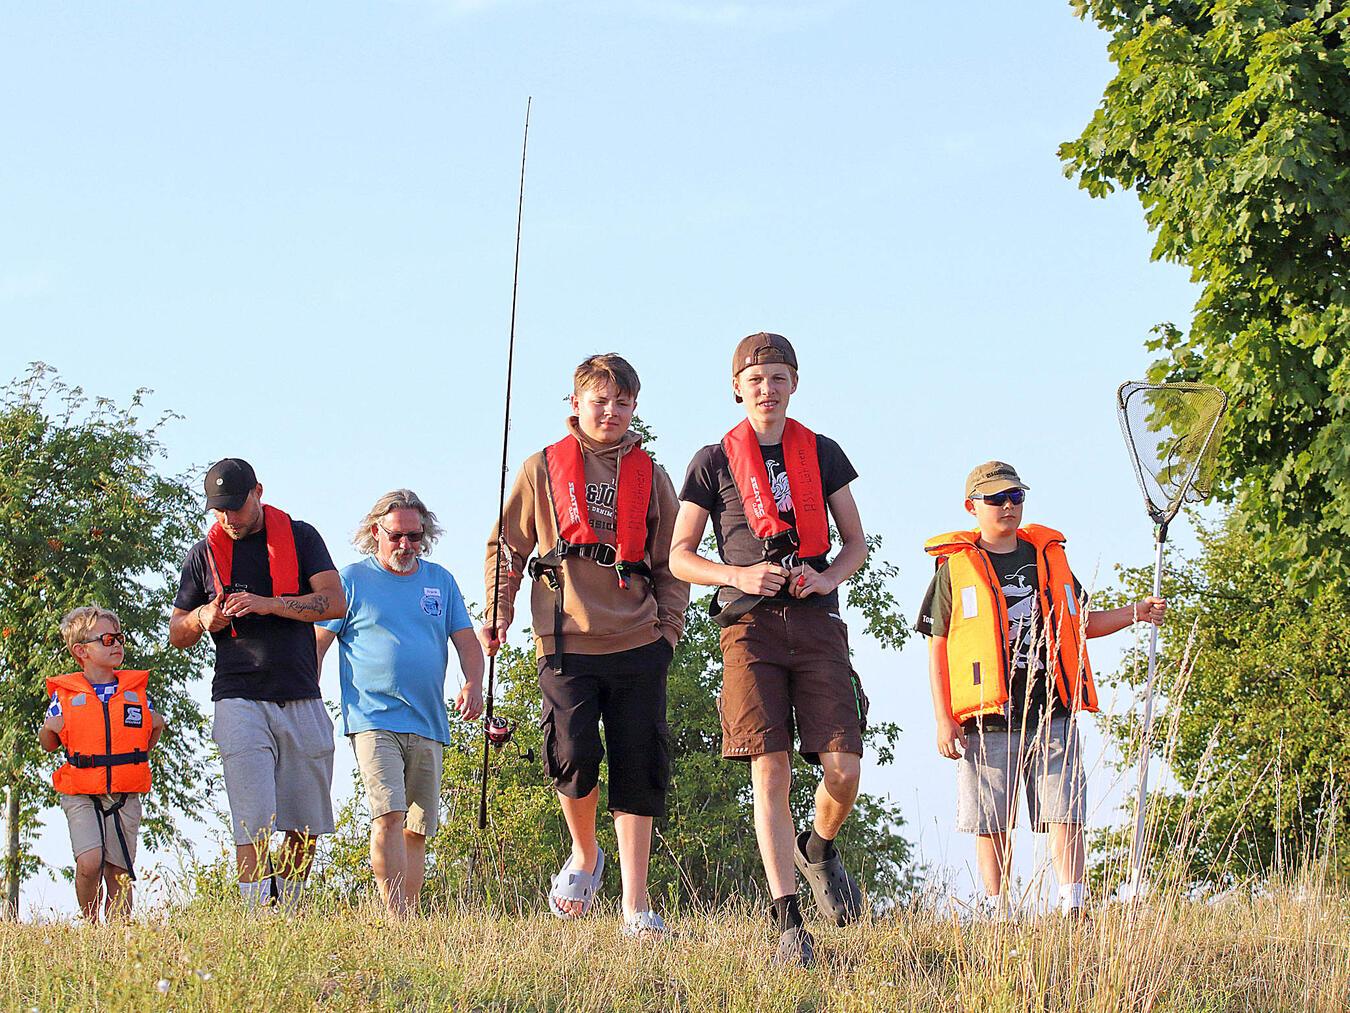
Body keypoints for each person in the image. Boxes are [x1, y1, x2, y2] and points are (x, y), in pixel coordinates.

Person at [669, 332, 869, 968]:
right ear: (737, 388)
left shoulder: (823, 451)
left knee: (843, 767)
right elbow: (679, 557)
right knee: (770, 766)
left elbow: (856, 544)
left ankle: (819, 847)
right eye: (756, 380)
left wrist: (826, 578)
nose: (767, 389)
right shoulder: (712, 461)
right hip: (748, 626)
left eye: (779, 377)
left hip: (816, 621)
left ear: (794, 384)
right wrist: (738, 574)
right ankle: (788, 920)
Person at [481, 353, 688, 938]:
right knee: (572, 753)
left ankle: (635, 905)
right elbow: (506, 547)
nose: (611, 412)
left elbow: (673, 559)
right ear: (576, 403)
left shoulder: (652, 474)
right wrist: (498, 611)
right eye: (600, 401)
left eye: (623, 402)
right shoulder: (540, 468)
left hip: (639, 639)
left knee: (638, 765)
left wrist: (669, 631)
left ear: (634, 407)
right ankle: (585, 852)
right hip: (565, 639)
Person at [916, 461, 1167, 919]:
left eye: (1015, 496)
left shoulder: (1047, 558)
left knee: (1065, 809)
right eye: (996, 498)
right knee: (992, 820)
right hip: (987, 716)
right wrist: (942, 718)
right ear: (972, 506)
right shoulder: (955, 569)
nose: (1008, 506)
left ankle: (1074, 905)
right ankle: (999, 912)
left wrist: (1136, 612)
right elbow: (939, 646)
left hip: (1052, 708)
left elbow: (1081, 622)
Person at [168, 457, 345, 908]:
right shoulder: (202, 554)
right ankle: (254, 916)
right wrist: (204, 616)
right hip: (238, 697)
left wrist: (269, 604)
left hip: (301, 693)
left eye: (235, 506)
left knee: (305, 822)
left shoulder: (301, 537)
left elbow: (333, 602)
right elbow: (177, 633)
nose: (228, 518)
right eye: (219, 509)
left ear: (258, 492)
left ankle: (288, 908)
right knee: (252, 819)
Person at [316, 489, 485, 918]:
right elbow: (318, 643)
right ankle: (395, 916)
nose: (406, 545)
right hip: (372, 717)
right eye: (397, 536)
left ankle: (409, 917)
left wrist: (473, 683)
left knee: (417, 826)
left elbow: (467, 642)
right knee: (388, 814)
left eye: (415, 535)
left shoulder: (440, 581)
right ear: (377, 532)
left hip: (428, 720)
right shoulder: (351, 579)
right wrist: (308, 700)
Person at [40, 606, 165, 922]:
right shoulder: (65, 697)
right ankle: (91, 923)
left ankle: (118, 936)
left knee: (118, 871)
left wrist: (151, 732)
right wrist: (47, 730)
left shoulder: (135, 693)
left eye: (119, 638)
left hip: (124, 793)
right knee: (90, 862)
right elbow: (49, 743)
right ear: (81, 651)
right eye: (107, 639)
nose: (117, 644)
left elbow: (150, 734)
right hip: (81, 791)